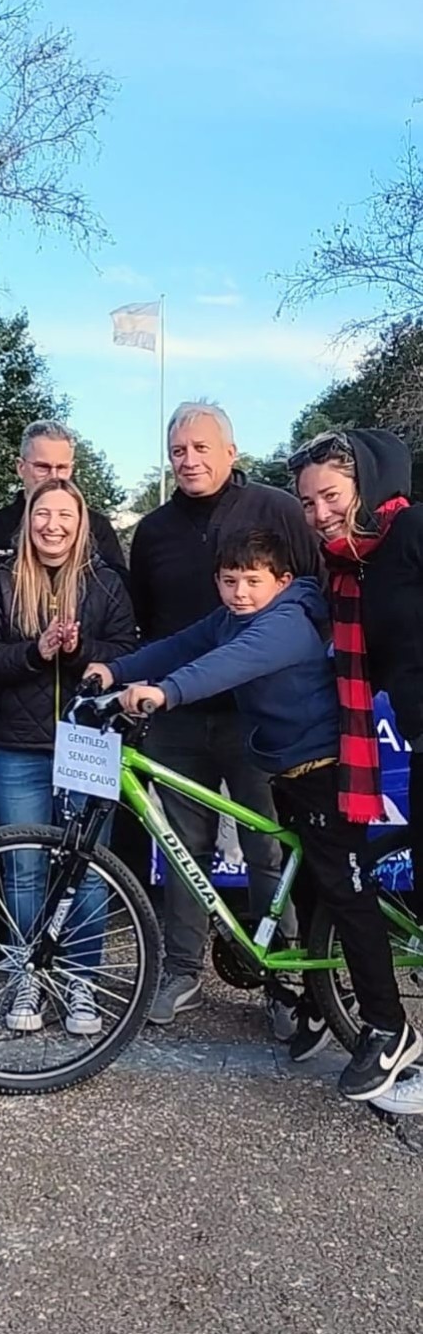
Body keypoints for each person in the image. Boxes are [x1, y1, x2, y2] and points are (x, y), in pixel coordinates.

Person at [85, 529, 422, 1103]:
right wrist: (116, 670)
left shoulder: (286, 623)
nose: (239, 592)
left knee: (346, 896)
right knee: (315, 892)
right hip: (287, 773)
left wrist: (161, 695)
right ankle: (317, 1000)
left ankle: (391, 1030)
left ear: (282, 581)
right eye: (229, 580)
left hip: (326, 774)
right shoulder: (233, 616)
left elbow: (222, 666)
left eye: (251, 581)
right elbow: (183, 644)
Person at [128, 401, 323, 1033]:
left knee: (269, 846)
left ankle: (286, 978)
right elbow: (170, 629)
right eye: (179, 450)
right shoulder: (153, 530)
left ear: (230, 452)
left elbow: (303, 598)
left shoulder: (276, 508)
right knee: (182, 850)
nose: (189, 460)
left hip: (254, 716)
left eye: (202, 448)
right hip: (179, 719)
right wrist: (128, 672)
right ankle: (182, 970)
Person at [0, 479, 136, 1035]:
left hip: (87, 745)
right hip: (17, 747)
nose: (53, 524)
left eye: (65, 514)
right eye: (43, 513)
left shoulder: (107, 583)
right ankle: (26, 972)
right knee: (23, 871)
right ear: (29, 520)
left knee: (87, 872)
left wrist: (82, 650)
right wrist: (34, 653)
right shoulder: (2, 582)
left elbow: (130, 654)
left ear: (81, 522)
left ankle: (81, 980)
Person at [291, 426, 423, 1115]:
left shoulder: (412, 530)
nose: (320, 514)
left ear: (364, 486)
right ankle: (394, 1033)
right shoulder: (347, 568)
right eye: (308, 502)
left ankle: (391, 1030)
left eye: (331, 496)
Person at [0, 419, 129, 822]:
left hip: (86, 730)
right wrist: (30, 651)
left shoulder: (99, 530)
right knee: (14, 850)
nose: (53, 476)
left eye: (62, 468)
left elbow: (122, 631)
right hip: (9, 721)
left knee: (87, 857)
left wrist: (77, 650)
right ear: (21, 467)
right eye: (42, 467)